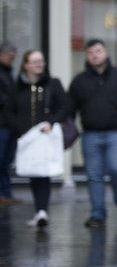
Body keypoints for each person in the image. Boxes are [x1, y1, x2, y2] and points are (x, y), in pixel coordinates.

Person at [69, 39, 117, 228]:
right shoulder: (79, 81)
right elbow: (69, 108)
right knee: (94, 176)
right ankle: (97, 214)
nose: (94, 55)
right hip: (90, 135)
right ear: (87, 56)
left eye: (98, 51)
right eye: (90, 52)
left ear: (106, 52)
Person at [9, 50, 70, 227]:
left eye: (41, 61)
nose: (39, 64)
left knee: (44, 173)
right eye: (34, 61)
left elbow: (65, 106)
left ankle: (42, 210)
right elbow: (8, 111)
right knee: (32, 172)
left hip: (46, 136)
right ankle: (39, 211)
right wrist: (20, 130)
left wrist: (51, 122)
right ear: (25, 64)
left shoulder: (53, 83)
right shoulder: (17, 86)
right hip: (26, 137)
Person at [0, 41, 18, 204]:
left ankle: (6, 194)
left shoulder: (8, 73)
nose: (13, 57)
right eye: (10, 54)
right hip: (2, 124)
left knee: (6, 161)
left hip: (9, 124)